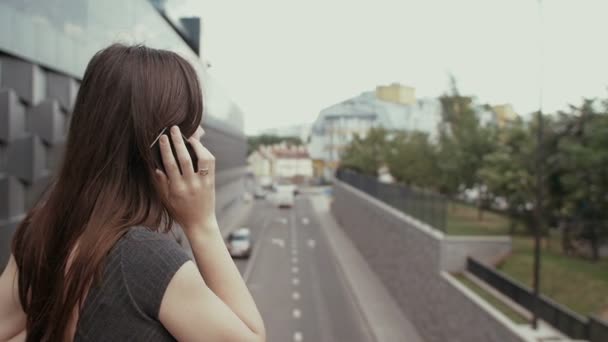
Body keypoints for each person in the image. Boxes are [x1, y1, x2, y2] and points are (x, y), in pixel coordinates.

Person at [0, 44, 265, 342]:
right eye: (192, 124)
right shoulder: (142, 257)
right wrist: (202, 224)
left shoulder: (42, 228)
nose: (201, 134)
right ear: (167, 147)